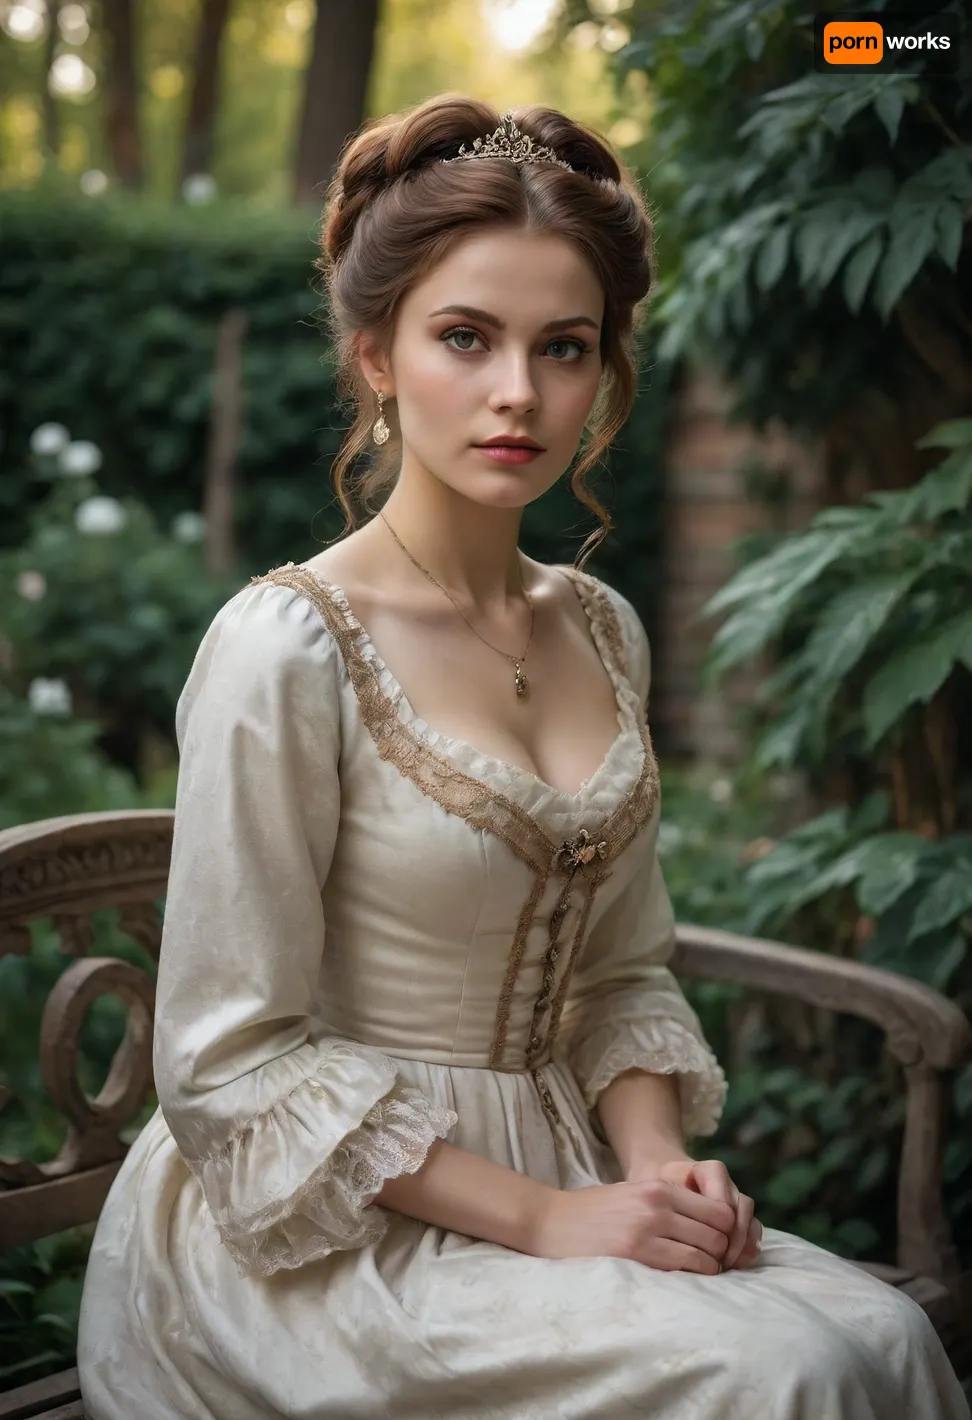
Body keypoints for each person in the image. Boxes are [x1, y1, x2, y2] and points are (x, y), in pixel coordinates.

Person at [77, 95, 968, 1420]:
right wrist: (550, 1222)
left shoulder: (599, 627)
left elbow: (619, 967)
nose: (519, 394)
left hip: (566, 1166)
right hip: (324, 1236)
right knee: (783, 1376)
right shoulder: (287, 648)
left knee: (884, 1341)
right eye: (465, 338)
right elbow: (231, 1061)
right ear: (376, 353)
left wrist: (654, 1165)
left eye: (565, 347)